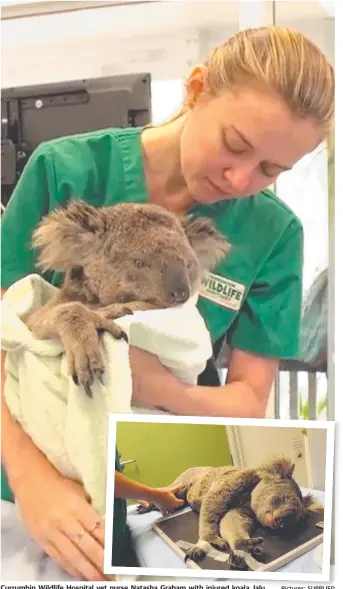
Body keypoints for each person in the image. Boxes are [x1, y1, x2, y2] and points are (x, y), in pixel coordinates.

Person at [1, 26, 334, 581]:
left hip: (132, 467)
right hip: (21, 480)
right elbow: (6, 334)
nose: (241, 178)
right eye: (235, 143)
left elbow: (249, 401)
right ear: (197, 89)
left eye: (272, 170)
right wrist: (34, 482)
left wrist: (159, 386)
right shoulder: (66, 171)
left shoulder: (273, 232)